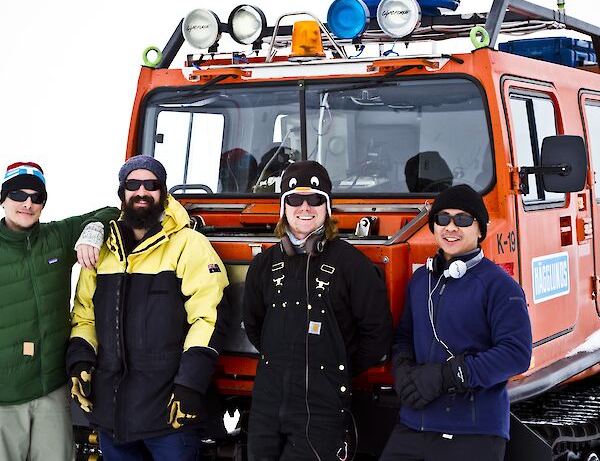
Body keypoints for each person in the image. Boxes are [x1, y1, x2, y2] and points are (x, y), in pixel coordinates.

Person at [66, 155, 229, 460]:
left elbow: (209, 317)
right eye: (133, 184)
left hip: (169, 414)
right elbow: (84, 314)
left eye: (151, 184)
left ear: (163, 193)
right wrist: (80, 363)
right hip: (112, 414)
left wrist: (190, 385)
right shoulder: (103, 250)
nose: (142, 191)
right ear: (122, 193)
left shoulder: (188, 245)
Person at [243, 160, 393, 460]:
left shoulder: (352, 265)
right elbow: (254, 325)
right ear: (283, 208)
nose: (304, 208)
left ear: (328, 207)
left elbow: (377, 333)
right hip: (266, 408)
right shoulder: (264, 265)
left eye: (315, 199)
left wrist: (338, 364)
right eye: (294, 200)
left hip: (321, 411)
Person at [380, 184, 532, 461]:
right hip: (414, 425)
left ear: (480, 229)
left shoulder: (500, 286)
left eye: (462, 220)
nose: (451, 227)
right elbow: (404, 336)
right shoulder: (421, 281)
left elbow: (516, 355)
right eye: (443, 219)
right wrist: (402, 372)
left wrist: (446, 376)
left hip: (472, 433)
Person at [0, 161, 120, 461]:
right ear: (3, 198)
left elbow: (111, 211)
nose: (27, 203)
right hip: (4, 394)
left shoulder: (57, 237)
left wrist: (94, 228)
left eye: (37, 197)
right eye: (18, 194)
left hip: (51, 389)